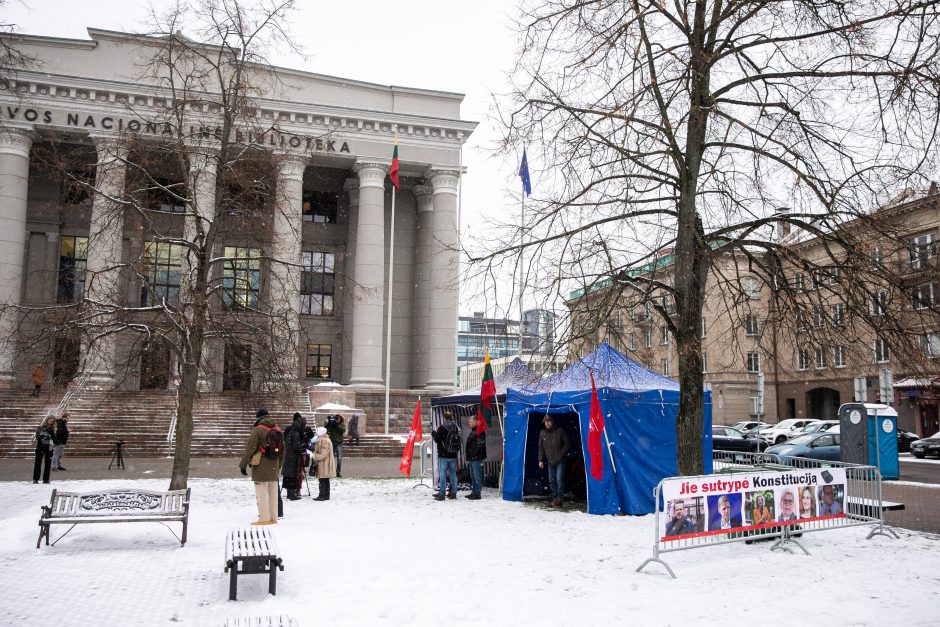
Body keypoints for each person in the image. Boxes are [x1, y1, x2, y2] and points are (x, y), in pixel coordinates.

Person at [238, 408, 284, 525]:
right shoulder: (277, 429)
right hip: (274, 465)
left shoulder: (258, 430)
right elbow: (283, 451)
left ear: (258, 418)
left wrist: (243, 465)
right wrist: (278, 465)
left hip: (261, 466)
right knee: (273, 493)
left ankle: (263, 519)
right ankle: (273, 518)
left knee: (261, 493)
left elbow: (250, 448)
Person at [538, 415, 570, 507]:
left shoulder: (560, 431)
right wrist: (540, 460)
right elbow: (541, 448)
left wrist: (561, 454)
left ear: (552, 422)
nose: (547, 423)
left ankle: (559, 499)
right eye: (545, 421)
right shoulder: (542, 433)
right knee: (551, 480)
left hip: (561, 460)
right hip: (550, 460)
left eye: (549, 421)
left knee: (559, 479)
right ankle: (555, 497)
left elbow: (567, 443)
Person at [432, 411, 460, 501]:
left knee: (443, 475)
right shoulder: (455, 426)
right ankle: (453, 493)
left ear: (444, 417)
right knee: (453, 475)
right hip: (453, 454)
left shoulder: (442, 427)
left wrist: (434, 433)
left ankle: (442, 494)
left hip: (443, 454)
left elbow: (438, 440)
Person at [282, 412, 308, 501]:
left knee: (289, 474)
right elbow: (296, 446)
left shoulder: (292, 430)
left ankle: (290, 493)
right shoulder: (296, 433)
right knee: (292, 474)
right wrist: (303, 446)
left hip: (289, 455)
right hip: (293, 456)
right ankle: (292, 494)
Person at [464, 415, 487, 500]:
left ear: (475, 421)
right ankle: (474, 492)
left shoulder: (479, 431)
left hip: (476, 458)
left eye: (470, 422)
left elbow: (480, 445)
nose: (469, 423)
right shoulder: (474, 431)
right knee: (473, 476)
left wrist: (473, 454)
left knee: (477, 476)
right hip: (472, 457)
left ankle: (477, 493)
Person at [312, 426, 336, 501]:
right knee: (325, 480)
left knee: (322, 480)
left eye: (317, 432)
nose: (316, 433)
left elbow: (323, 454)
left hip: (324, 464)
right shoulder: (325, 439)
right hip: (326, 463)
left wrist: (313, 456)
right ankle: (326, 495)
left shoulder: (324, 440)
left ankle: (322, 496)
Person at [33, 416, 55, 484]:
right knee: (38, 464)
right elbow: (38, 437)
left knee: (48, 464)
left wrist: (52, 435)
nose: (51, 422)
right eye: (50, 421)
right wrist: (47, 435)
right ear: (47, 420)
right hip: (40, 447)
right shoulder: (40, 427)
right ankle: (35, 479)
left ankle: (46, 479)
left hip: (50, 447)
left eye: (52, 421)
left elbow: (55, 439)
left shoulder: (53, 429)